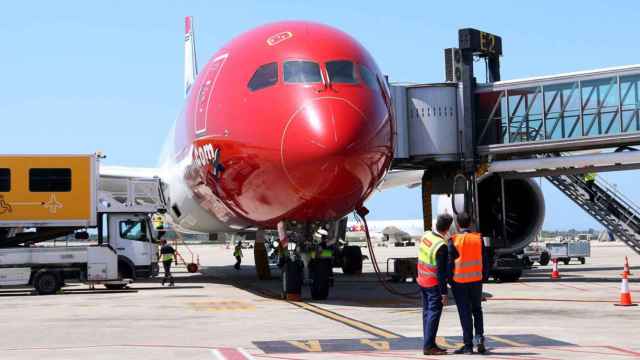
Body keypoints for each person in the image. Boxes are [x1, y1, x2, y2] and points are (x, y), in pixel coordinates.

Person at [450, 212, 486, 354]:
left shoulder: (454, 240)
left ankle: (468, 346)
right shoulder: (478, 239)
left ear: (458, 224)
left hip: (459, 282)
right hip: (476, 281)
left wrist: (449, 281)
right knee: (477, 310)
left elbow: (449, 264)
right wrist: (483, 278)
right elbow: (486, 262)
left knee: (465, 313)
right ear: (470, 223)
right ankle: (479, 339)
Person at [418, 213, 453, 356]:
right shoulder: (441, 246)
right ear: (447, 228)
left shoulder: (426, 235)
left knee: (427, 313)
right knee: (434, 313)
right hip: (433, 285)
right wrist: (444, 293)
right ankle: (428, 347)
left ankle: (429, 342)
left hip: (422, 281)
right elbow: (441, 273)